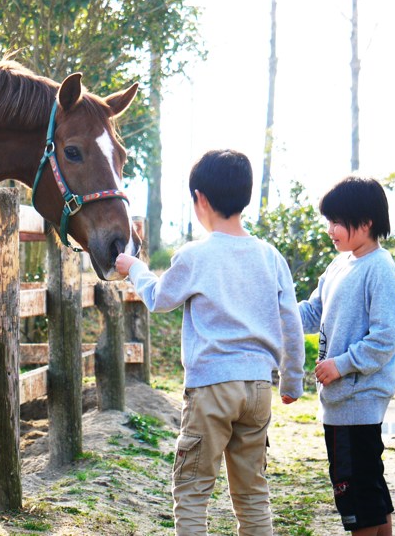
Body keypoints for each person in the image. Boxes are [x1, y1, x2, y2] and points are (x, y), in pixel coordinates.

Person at [114, 149, 306, 536]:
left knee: (192, 490)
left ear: (200, 199)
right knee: (253, 492)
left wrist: (135, 269)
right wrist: (292, 381)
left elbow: (159, 299)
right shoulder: (271, 257)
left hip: (212, 388)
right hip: (257, 389)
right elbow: (292, 324)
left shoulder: (195, 255)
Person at [296, 175, 395, 536]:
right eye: (328, 221)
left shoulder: (379, 267)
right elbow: (313, 313)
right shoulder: (340, 266)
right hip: (341, 398)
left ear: (366, 222)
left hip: (359, 396)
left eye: (337, 221)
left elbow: (388, 333)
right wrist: (273, 313)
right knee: (368, 491)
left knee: (354, 494)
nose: (330, 229)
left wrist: (341, 365)